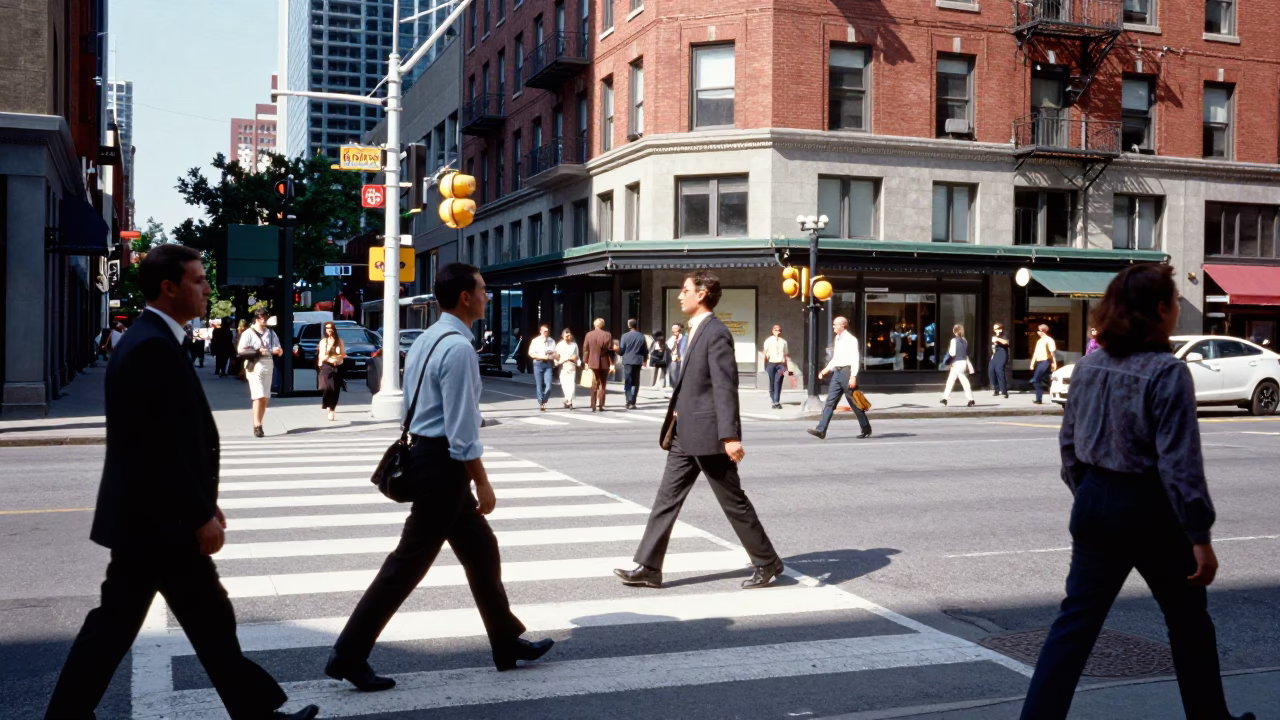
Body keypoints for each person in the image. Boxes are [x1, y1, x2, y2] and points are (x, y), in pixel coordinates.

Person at [44, 244, 318, 720]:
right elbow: (155, 449)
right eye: (197, 280)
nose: (207, 287)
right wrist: (198, 513)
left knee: (191, 620)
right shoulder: (151, 345)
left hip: (153, 519)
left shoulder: (155, 339)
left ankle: (255, 713)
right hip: (159, 523)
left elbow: (170, 440)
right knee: (143, 623)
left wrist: (203, 506)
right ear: (169, 287)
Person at [1019, 264, 1254, 720]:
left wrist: (1088, 493)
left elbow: (1068, 446)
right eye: (1171, 306)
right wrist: (1199, 537)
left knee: (1074, 627)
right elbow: (1180, 464)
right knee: (1188, 625)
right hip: (1152, 510)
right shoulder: (1167, 373)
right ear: (1162, 310)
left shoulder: (1086, 367)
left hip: (1095, 501)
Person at [325, 262, 554, 692]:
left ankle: (505, 640)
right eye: (483, 290)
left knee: (481, 549)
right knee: (407, 564)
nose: (487, 296)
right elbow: (462, 429)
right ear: (465, 297)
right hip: (444, 465)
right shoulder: (460, 349)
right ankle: (349, 654)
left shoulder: (429, 339)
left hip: (426, 457)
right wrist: (482, 480)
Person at [614, 271, 784, 591]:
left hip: (708, 435)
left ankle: (767, 562)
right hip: (683, 431)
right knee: (666, 499)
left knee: (733, 501)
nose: (680, 296)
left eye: (685, 290)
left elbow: (724, 386)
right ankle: (649, 566)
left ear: (702, 294)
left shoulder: (716, 332)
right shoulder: (692, 331)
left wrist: (730, 436)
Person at [808, 317, 872, 440]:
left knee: (854, 403)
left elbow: (855, 359)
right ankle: (821, 430)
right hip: (837, 373)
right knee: (829, 402)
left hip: (847, 373)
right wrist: (825, 370)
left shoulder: (851, 340)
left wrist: (853, 376)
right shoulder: (837, 338)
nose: (833, 327)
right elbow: (836, 358)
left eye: (835, 325)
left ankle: (866, 428)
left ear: (842, 325)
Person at [238, 309, 283, 437]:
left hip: (268, 363)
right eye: (263, 317)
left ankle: (260, 422)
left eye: (266, 317)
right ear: (257, 318)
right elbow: (240, 350)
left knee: (264, 397)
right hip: (254, 365)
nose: (265, 319)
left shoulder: (271, 333)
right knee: (258, 395)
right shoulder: (248, 333)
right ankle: (257, 425)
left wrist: (278, 351)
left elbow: (279, 349)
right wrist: (258, 351)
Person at [582, 318, 615, 412]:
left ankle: (593, 405)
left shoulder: (589, 335)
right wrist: (612, 363)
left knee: (593, 384)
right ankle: (601, 405)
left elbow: (586, 349)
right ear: (603, 325)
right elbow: (610, 350)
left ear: (594, 324)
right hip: (604, 362)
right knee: (602, 384)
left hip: (592, 362)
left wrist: (586, 362)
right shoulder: (607, 335)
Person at [939, 324, 975, 407]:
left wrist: (948, 358)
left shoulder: (953, 341)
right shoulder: (964, 340)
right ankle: (945, 398)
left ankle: (970, 399)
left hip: (956, 363)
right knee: (951, 380)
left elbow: (952, 353)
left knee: (962, 381)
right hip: (963, 362)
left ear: (954, 331)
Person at [316, 321, 346, 421]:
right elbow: (321, 355)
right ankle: (326, 403)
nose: (329, 329)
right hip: (326, 366)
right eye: (327, 328)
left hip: (337, 366)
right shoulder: (323, 341)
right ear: (325, 329)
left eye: (331, 327)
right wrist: (328, 358)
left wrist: (338, 358)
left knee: (335, 389)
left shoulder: (339, 341)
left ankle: (332, 409)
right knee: (326, 387)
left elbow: (343, 354)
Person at [618, 318, 648, 409]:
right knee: (635, 381)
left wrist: (618, 352)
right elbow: (645, 350)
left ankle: (628, 400)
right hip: (638, 360)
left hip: (627, 360)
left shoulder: (625, 336)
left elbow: (622, 349)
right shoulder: (641, 336)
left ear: (629, 326)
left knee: (628, 380)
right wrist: (645, 360)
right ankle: (633, 401)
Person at [527, 324, 556, 412]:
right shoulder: (535, 341)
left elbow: (555, 353)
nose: (546, 333)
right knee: (539, 385)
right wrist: (540, 356)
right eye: (544, 331)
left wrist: (552, 355)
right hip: (538, 363)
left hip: (548, 364)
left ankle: (545, 398)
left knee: (549, 386)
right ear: (540, 331)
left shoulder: (552, 341)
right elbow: (530, 353)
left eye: (547, 331)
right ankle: (541, 402)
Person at [762, 324, 790, 410]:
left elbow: (786, 355)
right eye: (776, 330)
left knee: (778, 381)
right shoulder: (768, 341)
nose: (778, 332)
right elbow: (765, 353)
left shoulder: (784, 342)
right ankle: (773, 400)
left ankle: (776, 401)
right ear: (772, 331)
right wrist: (764, 365)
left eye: (779, 330)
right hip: (771, 363)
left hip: (780, 365)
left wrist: (787, 366)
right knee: (772, 382)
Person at [1030, 323, 1058, 404]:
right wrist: (1032, 363)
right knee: (1045, 378)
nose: (1037, 332)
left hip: (1045, 361)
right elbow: (1035, 353)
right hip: (1040, 362)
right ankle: (1052, 381)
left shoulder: (1049, 340)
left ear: (1042, 331)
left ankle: (1039, 399)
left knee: (1035, 380)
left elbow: (1052, 353)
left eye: (1038, 330)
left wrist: (1054, 363)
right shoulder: (1039, 341)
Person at [554, 328, 581, 409]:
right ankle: (568, 399)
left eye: (569, 335)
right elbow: (557, 356)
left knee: (572, 385)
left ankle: (568, 400)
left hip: (572, 367)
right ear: (562, 336)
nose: (568, 337)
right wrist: (557, 362)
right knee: (564, 385)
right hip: (563, 366)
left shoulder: (574, 345)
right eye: (566, 335)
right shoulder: (559, 345)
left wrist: (578, 362)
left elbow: (577, 356)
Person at [989, 322, 1010, 398]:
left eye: (998, 328)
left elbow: (1006, 342)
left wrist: (997, 339)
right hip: (995, 355)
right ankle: (996, 389)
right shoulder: (994, 336)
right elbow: (993, 347)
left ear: (1001, 328)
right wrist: (992, 355)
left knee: (999, 370)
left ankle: (1004, 391)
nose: (996, 330)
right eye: (995, 329)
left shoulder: (1004, 335)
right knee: (992, 370)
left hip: (1002, 354)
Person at [666, 324, 686, 390]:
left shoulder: (684, 339)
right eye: (673, 331)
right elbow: (668, 348)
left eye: (677, 331)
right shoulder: (671, 339)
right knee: (673, 376)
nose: (675, 333)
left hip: (682, 359)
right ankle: (674, 389)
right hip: (673, 360)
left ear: (680, 330)